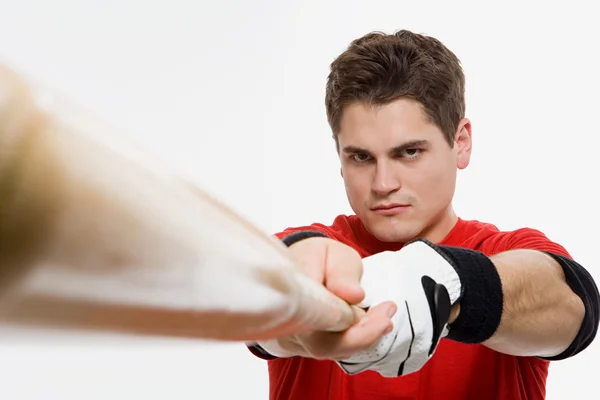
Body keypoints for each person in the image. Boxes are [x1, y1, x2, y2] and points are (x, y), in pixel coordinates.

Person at [245, 29, 600, 400]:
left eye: (409, 152)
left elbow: (573, 308)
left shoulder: (508, 250)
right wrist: (299, 291)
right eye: (361, 157)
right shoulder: (314, 247)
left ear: (460, 143)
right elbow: (254, 299)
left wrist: (451, 282)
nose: (383, 183)